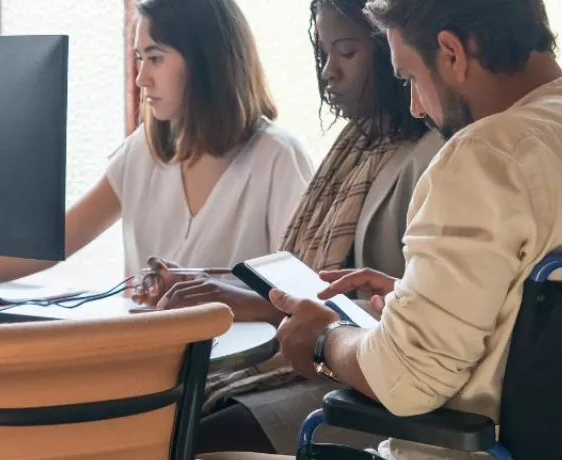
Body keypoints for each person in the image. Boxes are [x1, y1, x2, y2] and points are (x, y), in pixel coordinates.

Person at [205, 0, 562, 459]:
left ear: (451, 53)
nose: (415, 107)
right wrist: (416, 300)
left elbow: (406, 380)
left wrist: (323, 339)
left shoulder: (487, 157)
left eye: (409, 77)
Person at [138, 0, 442, 455]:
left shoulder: (431, 157)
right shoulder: (359, 144)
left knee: (187, 436)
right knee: (168, 418)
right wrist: (225, 288)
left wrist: (254, 303)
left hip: (364, 383)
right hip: (328, 364)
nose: (329, 72)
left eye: (347, 52)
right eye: (324, 54)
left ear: (391, 50)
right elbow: (317, 281)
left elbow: (395, 317)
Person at [0, 0, 314, 292]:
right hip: (152, 362)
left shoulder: (275, 158)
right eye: (139, 59)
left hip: (235, 372)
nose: (141, 78)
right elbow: (51, 243)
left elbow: (302, 293)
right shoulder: (144, 153)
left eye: (155, 58)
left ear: (209, 61)